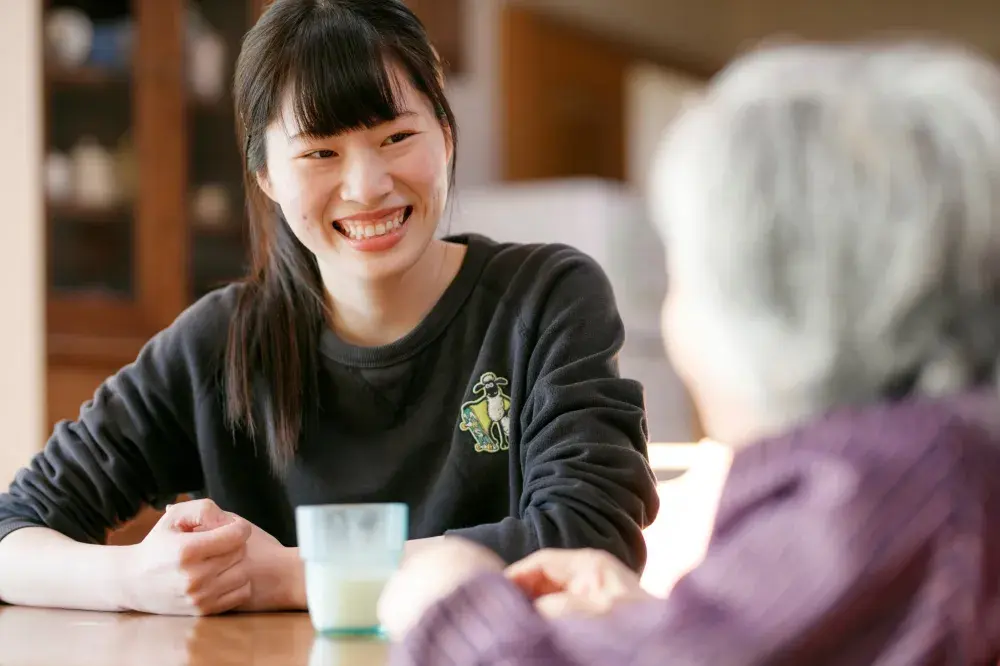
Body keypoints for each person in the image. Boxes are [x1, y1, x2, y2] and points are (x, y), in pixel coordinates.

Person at [0, 0, 659, 616]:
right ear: (265, 174)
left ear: (446, 133)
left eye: (397, 137)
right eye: (321, 152)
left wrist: (290, 574)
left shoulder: (544, 299)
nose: (367, 186)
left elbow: (590, 540)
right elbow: (11, 532)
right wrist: (137, 579)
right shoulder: (218, 345)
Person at [379, 39, 1000, 664]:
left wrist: (449, 604)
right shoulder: (941, 460)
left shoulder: (878, 488)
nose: (672, 319)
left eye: (681, 275)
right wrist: (657, 624)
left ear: (779, 300)